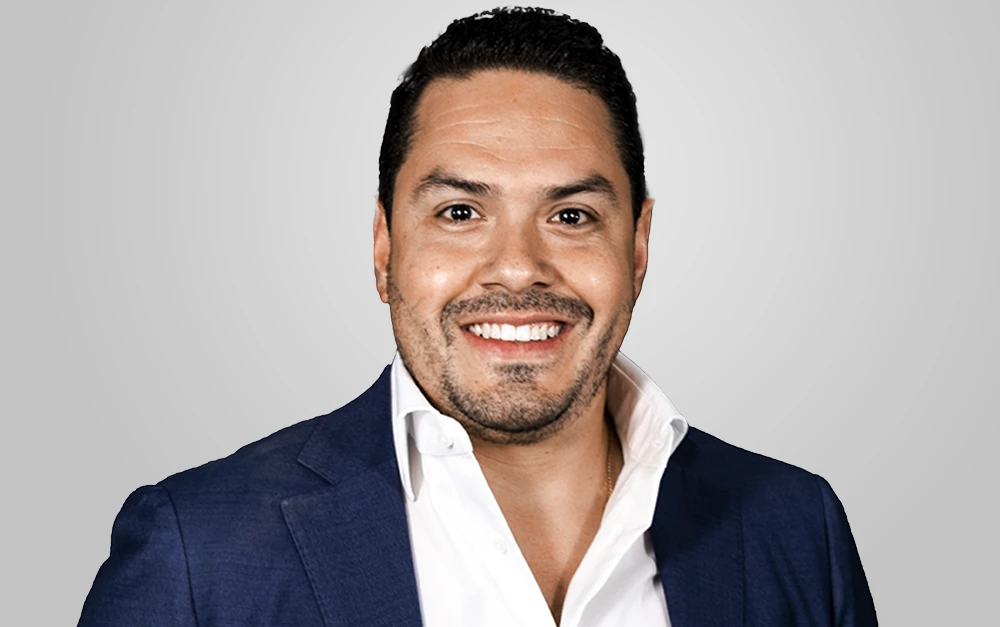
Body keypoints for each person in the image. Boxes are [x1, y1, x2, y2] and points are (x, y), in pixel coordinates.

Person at [78, 7, 876, 626]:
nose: (518, 266)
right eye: (460, 212)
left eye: (571, 215)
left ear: (638, 248)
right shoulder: (199, 553)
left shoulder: (794, 527)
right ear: (385, 248)